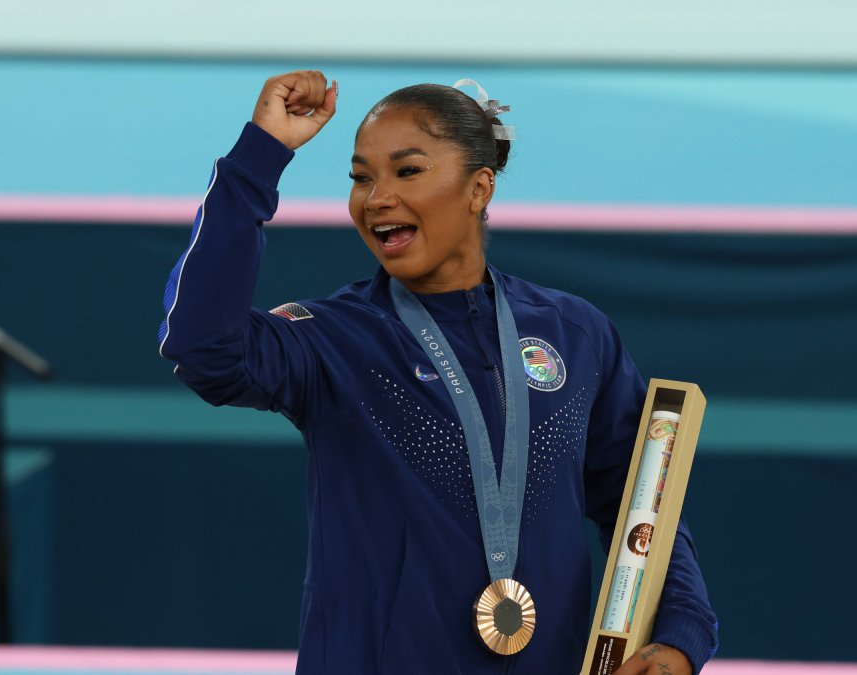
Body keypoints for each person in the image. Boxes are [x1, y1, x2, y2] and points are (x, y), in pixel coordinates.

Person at [159, 70, 718, 674]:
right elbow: (201, 346)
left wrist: (679, 637)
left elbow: (643, 510)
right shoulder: (333, 339)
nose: (376, 199)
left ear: (479, 189)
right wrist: (259, 156)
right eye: (360, 178)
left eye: (407, 171)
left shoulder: (573, 334)